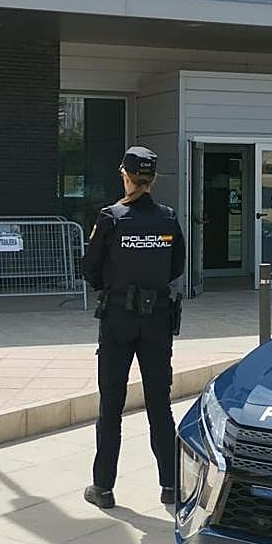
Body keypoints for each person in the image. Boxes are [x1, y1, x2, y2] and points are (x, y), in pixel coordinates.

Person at [81, 146, 185, 510]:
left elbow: (89, 268)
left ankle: (103, 488)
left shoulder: (111, 218)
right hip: (156, 319)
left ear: (124, 176)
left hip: (118, 321)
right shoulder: (168, 220)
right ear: (152, 179)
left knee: (111, 406)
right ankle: (171, 486)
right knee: (160, 404)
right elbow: (176, 268)